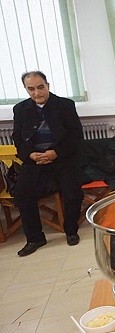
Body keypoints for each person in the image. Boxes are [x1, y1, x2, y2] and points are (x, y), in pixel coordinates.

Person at [12, 71, 85, 256]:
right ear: (26, 89)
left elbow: (76, 136)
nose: (37, 93)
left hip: (61, 158)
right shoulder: (20, 110)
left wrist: (56, 153)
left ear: (48, 85)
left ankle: (70, 230)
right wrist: (30, 155)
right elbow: (18, 140)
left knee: (73, 192)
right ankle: (35, 238)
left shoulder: (65, 105)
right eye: (31, 89)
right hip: (34, 160)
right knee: (22, 193)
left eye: (40, 87)